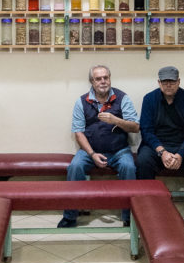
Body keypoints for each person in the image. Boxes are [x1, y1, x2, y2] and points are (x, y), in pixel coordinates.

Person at [135, 66, 184, 239]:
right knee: (142, 160)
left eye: (172, 81)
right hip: (157, 147)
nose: (168, 85)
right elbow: (146, 131)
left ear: (179, 82)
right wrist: (162, 152)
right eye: (165, 81)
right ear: (159, 83)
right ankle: (149, 218)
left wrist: (180, 154)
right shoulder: (149, 99)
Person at [59, 64, 139, 228]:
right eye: (98, 78)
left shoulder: (122, 98)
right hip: (90, 150)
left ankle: (129, 217)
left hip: (119, 150)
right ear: (91, 81)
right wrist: (92, 154)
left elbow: (135, 127)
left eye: (106, 77)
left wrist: (115, 120)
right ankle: (70, 216)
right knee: (75, 167)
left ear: (110, 78)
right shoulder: (82, 101)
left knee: (129, 167)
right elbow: (78, 132)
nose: (103, 81)